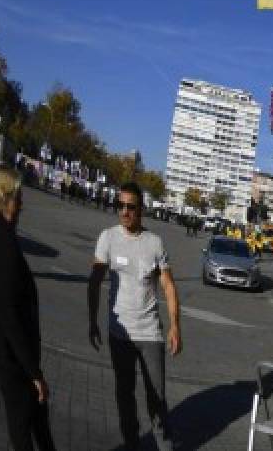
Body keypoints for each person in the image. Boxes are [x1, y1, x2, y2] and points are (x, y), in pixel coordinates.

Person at [87, 182, 182, 451]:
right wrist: (92, 320)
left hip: (150, 334)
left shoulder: (154, 243)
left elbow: (168, 286)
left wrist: (175, 326)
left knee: (157, 396)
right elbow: (94, 282)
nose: (125, 212)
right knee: (124, 395)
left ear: (141, 210)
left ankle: (165, 445)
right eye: (121, 206)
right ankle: (132, 444)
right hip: (120, 335)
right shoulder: (108, 237)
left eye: (131, 207)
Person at [0, 165, 58, 451]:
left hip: (0, 342)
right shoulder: (1, 241)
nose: (22, 203)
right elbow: (8, 314)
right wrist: (34, 373)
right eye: (18, 197)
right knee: (24, 419)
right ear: (4, 196)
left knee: (35, 415)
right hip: (11, 350)